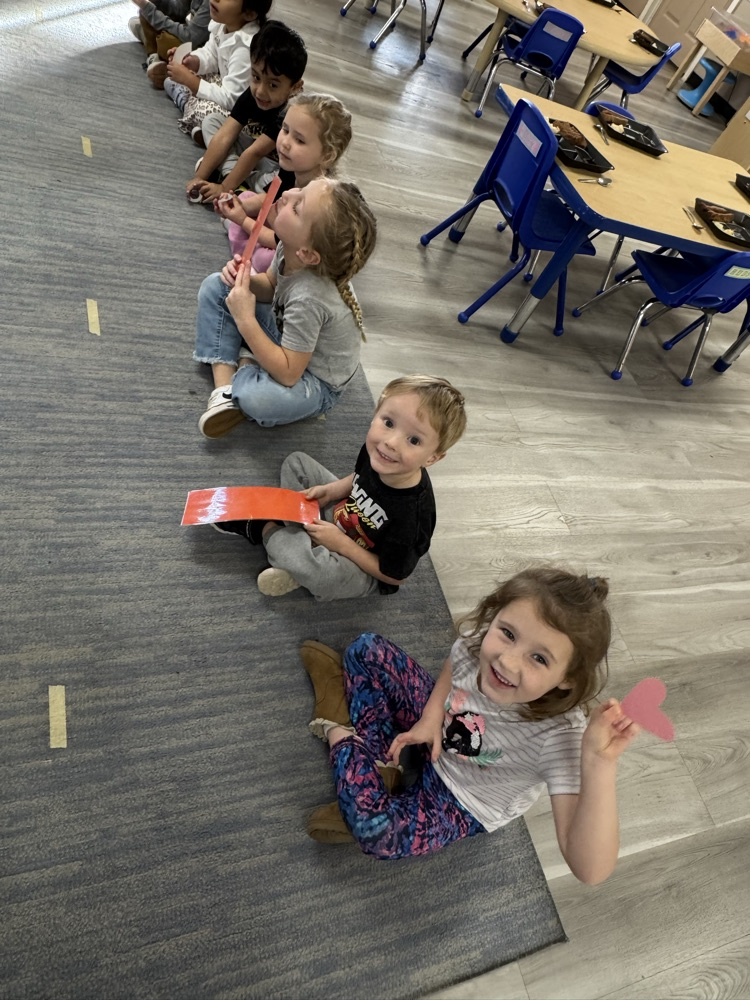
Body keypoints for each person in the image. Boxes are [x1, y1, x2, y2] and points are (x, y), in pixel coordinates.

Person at [297, 568, 640, 884]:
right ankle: (379, 770)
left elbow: (591, 869)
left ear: (567, 680)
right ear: (496, 618)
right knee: (365, 649)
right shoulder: (483, 642)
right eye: (507, 633)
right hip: (435, 733)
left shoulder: (561, 738)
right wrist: (430, 718)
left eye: (539, 658)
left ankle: (337, 730)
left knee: (378, 833)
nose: (506, 660)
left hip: (462, 801)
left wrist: (599, 763)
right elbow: (454, 663)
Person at [212, 376, 467, 599]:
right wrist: (331, 491)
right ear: (376, 413)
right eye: (388, 423)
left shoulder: (413, 518)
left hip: (363, 567)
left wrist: (342, 546)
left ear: (432, 458)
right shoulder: (379, 454)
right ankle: (301, 555)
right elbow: (359, 478)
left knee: (326, 577)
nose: (390, 442)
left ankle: (263, 528)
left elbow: (394, 577)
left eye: (413, 440)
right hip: (340, 521)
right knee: (296, 463)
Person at [193, 177, 377, 437]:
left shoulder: (310, 297)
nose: (288, 193)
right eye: (300, 190)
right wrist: (245, 281)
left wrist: (245, 320)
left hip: (313, 378)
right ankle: (223, 393)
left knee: (256, 398)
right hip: (288, 335)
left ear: (308, 254)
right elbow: (270, 284)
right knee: (216, 286)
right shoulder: (289, 246)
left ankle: (246, 362)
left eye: (297, 207)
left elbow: (290, 373)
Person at [214, 92, 352, 268]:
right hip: (285, 226)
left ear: (327, 155)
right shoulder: (294, 166)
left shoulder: (318, 197)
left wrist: (242, 220)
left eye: (299, 140)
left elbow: (278, 242)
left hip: (296, 249)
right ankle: (242, 235)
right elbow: (272, 198)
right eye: (285, 130)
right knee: (246, 197)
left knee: (265, 260)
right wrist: (240, 207)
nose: (285, 142)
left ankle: (247, 258)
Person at [185, 20, 307, 203]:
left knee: (278, 189)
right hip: (249, 151)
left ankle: (233, 181)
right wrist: (200, 177)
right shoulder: (252, 95)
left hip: (273, 164)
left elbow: (255, 153)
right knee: (212, 121)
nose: (260, 91)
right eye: (256, 77)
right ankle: (232, 175)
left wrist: (224, 188)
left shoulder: (290, 113)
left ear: (295, 87)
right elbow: (226, 133)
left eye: (273, 85)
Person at [164, 0, 271, 145]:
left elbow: (232, 100)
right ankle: (200, 125)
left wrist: (189, 80)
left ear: (249, 13)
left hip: (243, 113)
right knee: (173, 80)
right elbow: (211, 54)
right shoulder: (224, 23)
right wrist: (192, 61)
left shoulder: (245, 47)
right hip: (223, 83)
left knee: (208, 112)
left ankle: (212, 133)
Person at [128, 0, 211, 89]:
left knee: (166, 41)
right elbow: (179, 10)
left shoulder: (210, 3)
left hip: (200, 46)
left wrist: (148, 8)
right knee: (145, 13)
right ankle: (155, 55)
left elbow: (190, 37)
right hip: (190, 31)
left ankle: (154, 49)